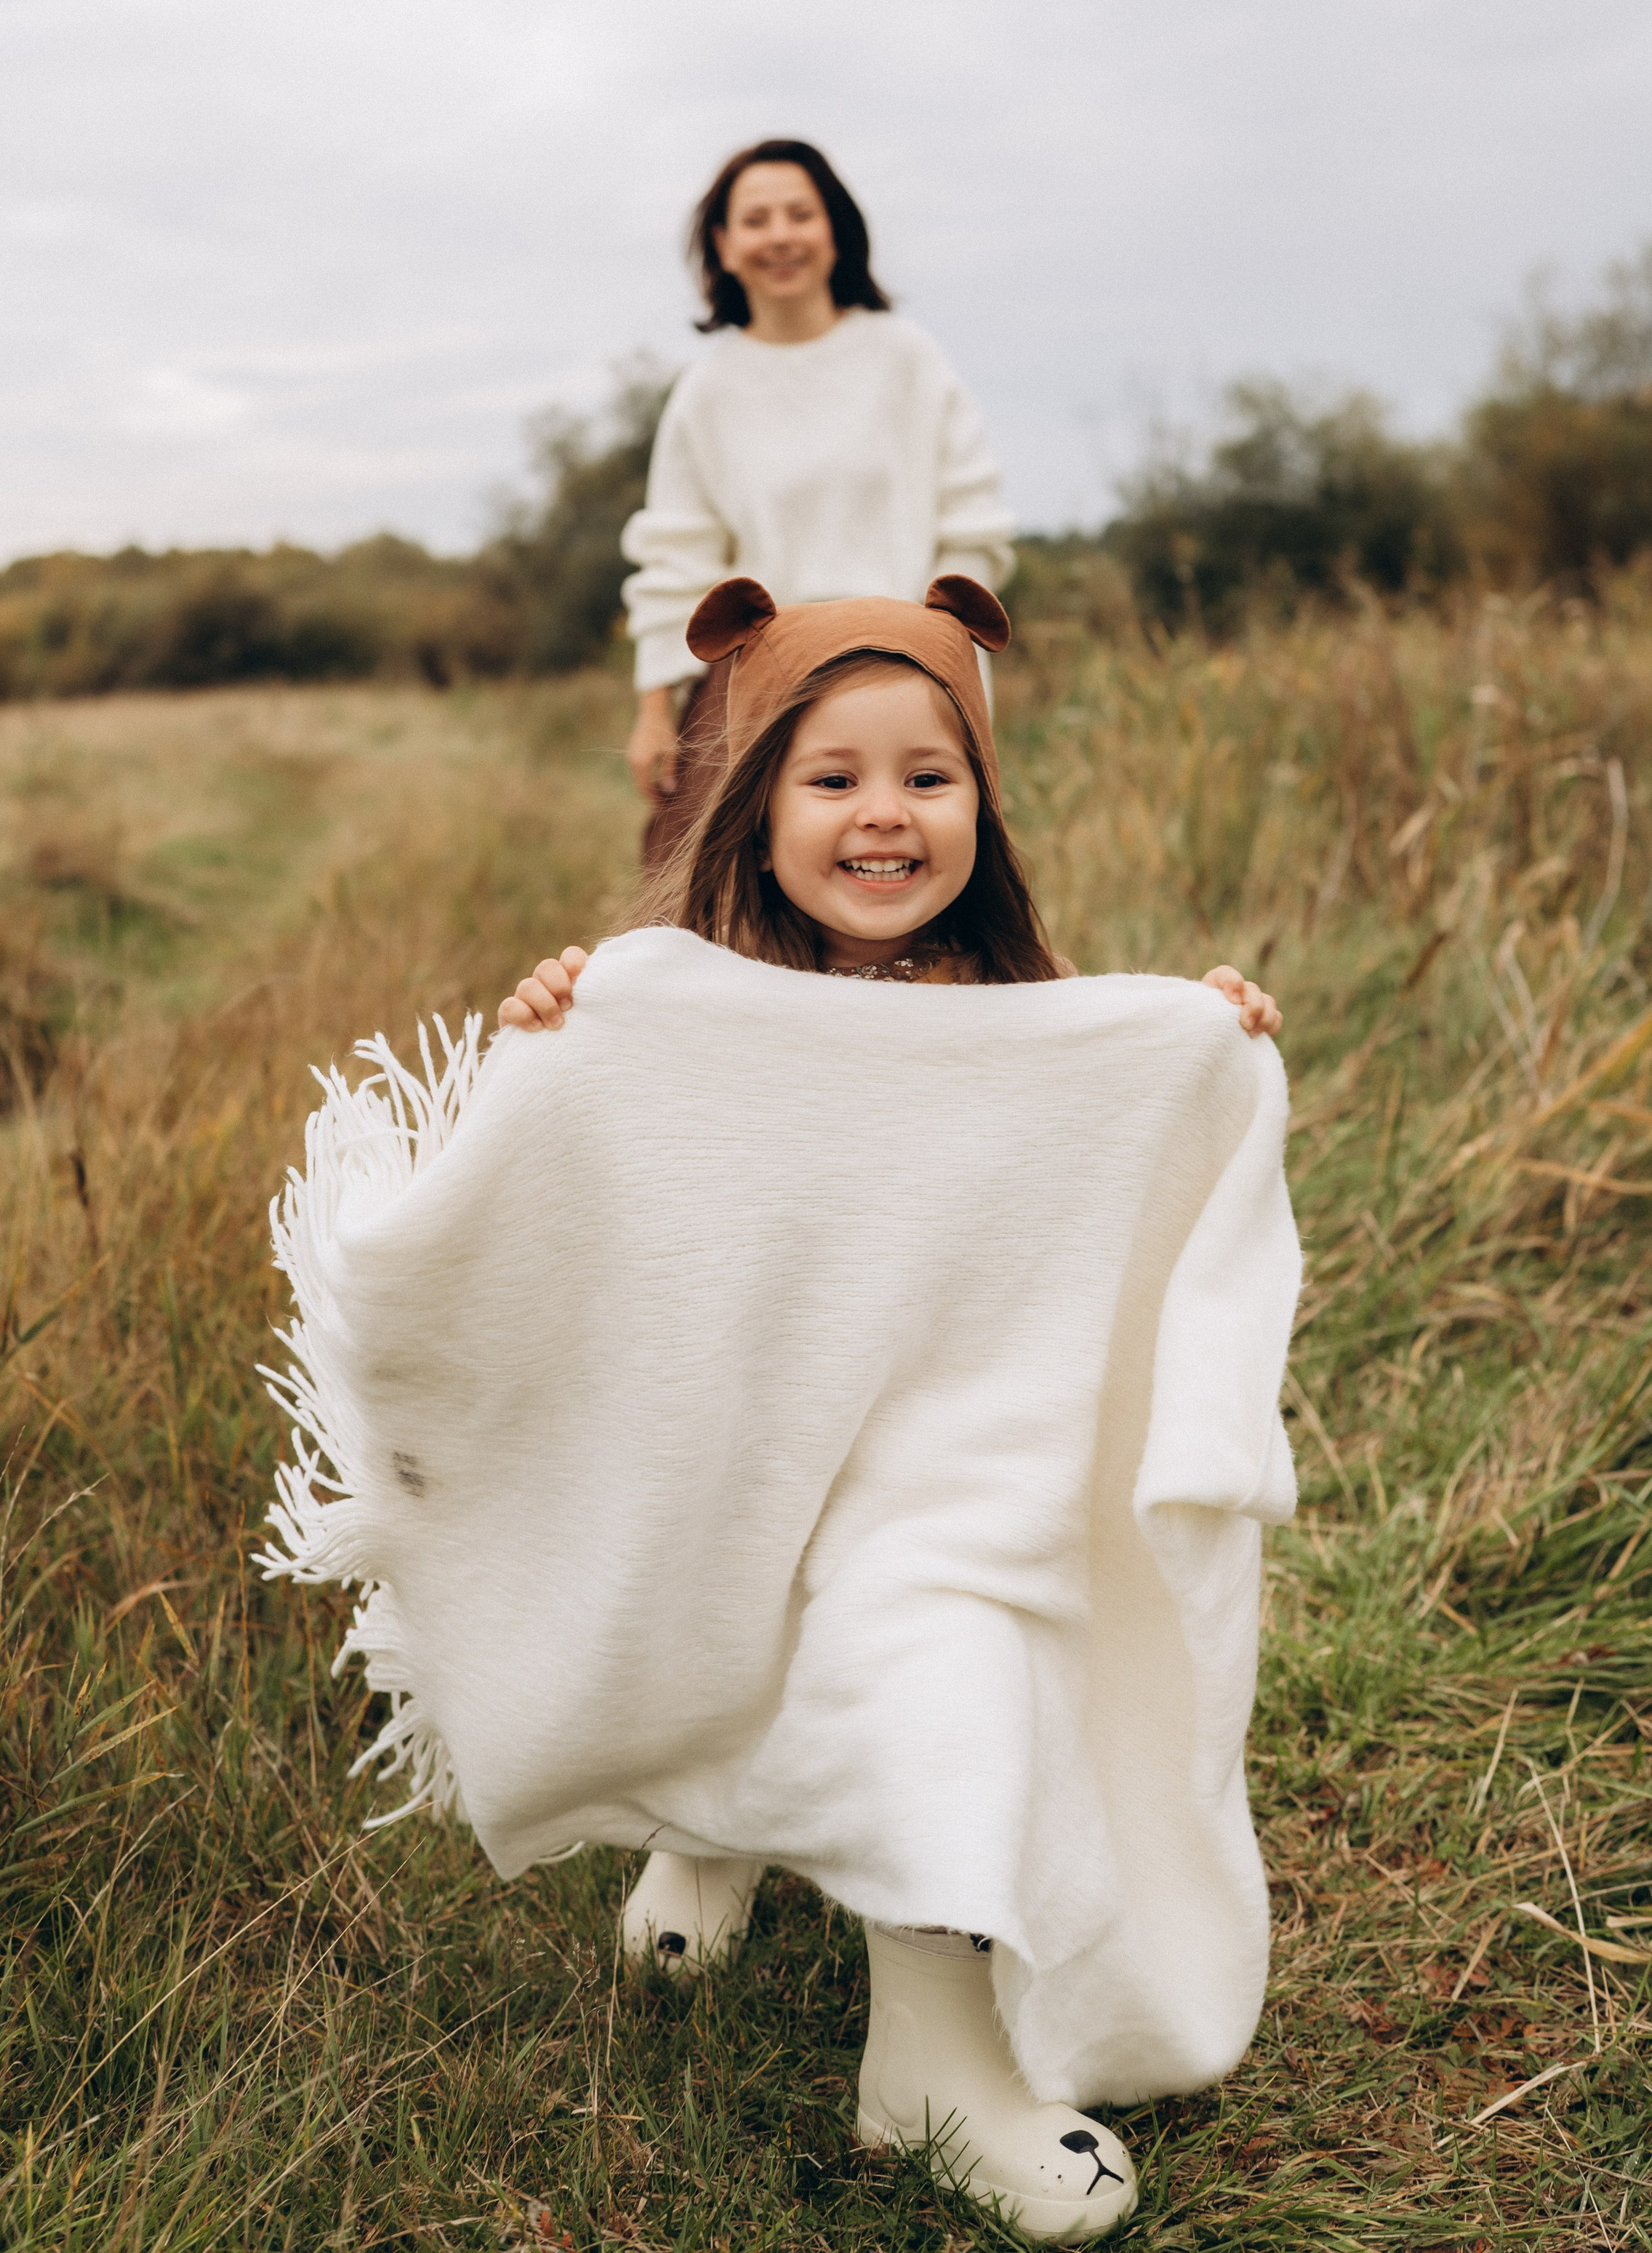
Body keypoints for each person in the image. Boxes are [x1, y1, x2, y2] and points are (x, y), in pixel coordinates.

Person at [486, 575, 1286, 2244]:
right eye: (831, 774)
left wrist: (1195, 1045)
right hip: (742, 1448)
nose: (880, 811)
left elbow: (1099, 1162)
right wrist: (557, 1032)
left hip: (937, 1461)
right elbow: (598, 1208)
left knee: (939, 1659)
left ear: (980, 807)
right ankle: (705, 1838)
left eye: (927, 774)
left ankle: (926, 2061)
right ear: (756, 798)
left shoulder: (1012, 1017)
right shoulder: (681, 998)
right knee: (708, 1625)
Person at [620, 139, 1014, 866]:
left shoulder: (907, 358)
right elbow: (676, 560)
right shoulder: (708, 391)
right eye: (756, 219)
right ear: (724, 246)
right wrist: (654, 713)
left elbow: (970, 528)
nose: (779, 235)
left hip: (907, 673)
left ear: (834, 230)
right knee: (711, 914)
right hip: (759, 684)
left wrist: (938, 652)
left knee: (910, 889)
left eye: (799, 214)